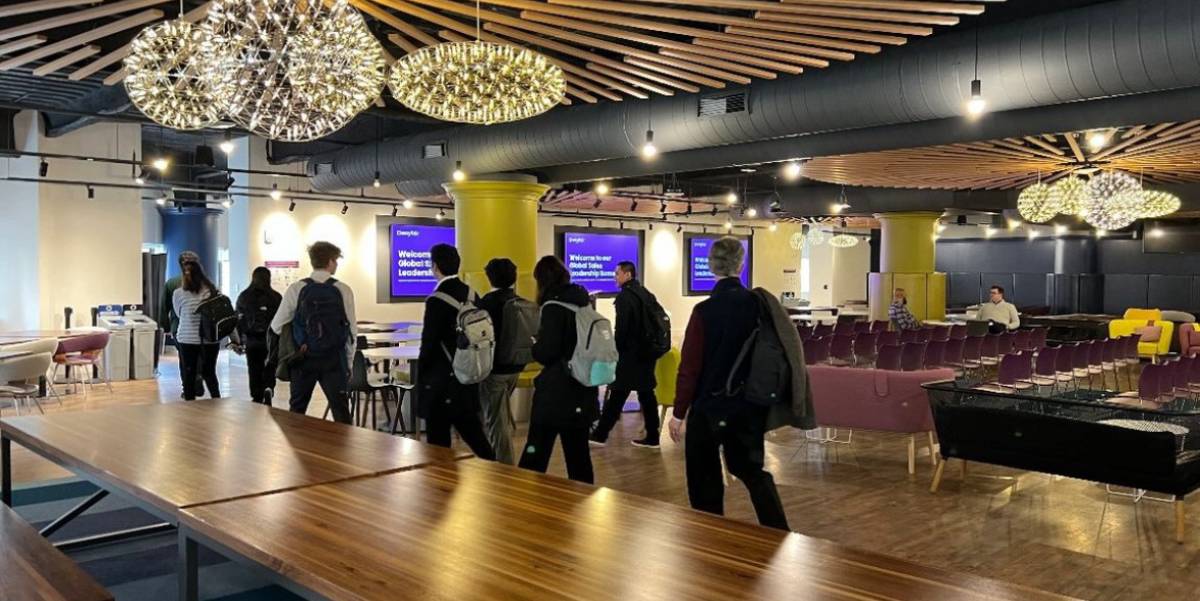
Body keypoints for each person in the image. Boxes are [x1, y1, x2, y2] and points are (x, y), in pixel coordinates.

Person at [668, 237, 790, 531]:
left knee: (703, 479)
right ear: (741, 265)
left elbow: (690, 367)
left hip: (709, 407)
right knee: (752, 471)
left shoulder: (704, 311)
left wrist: (678, 412)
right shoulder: (759, 306)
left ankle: (710, 535)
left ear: (711, 266)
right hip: (748, 404)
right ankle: (778, 531)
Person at [518, 255, 596, 484]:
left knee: (535, 453)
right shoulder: (584, 303)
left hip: (556, 394)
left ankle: (522, 498)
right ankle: (585, 501)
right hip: (583, 389)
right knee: (579, 458)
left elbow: (547, 352)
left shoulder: (553, 307)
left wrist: (536, 346)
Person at [418, 244, 496, 459]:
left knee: (438, 445)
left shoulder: (436, 300)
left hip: (441, 381)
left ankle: (443, 479)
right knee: (476, 437)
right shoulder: (472, 294)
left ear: (435, 266)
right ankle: (497, 472)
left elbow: (429, 343)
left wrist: (422, 377)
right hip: (468, 374)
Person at [270, 241, 355, 424]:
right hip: (334, 359)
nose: (336, 264)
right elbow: (351, 332)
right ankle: (345, 443)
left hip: (303, 358)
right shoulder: (343, 290)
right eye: (336, 260)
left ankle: (296, 442)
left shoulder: (296, 288)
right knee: (341, 412)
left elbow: (276, 325)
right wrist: (348, 363)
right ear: (330, 261)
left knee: (297, 410)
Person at [590, 261, 660, 448]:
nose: (615, 277)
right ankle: (653, 436)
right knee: (646, 394)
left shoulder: (624, 297)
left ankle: (600, 435)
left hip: (630, 355)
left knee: (618, 394)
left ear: (628, 274)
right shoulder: (645, 293)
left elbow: (622, 329)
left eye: (617, 273)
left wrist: (615, 350)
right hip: (646, 353)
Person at [475, 258, 525, 464]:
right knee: (500, 414)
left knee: (496, 421)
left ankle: (504, 467)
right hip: (516, 366)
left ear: (490, 278)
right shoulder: (520, 302)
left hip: (494, 369)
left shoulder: (486, 303)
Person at [173, 260, 222, 401]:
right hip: (210, 339)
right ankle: (217, 400)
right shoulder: (213, 291)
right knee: (210, 373)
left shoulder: (179, 293)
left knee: (189, 374)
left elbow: (178, 313)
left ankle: (190, 404)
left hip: (187, 338)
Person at [161, 250, 205, 397]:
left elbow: (164, 307)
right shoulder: (206, 283)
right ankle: (198, 375)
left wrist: (165, 327)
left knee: (185, 359)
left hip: (179, 327)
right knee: (200, 356)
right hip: (201, 328)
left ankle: (187, 388)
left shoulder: (172, 283)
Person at [237, 266, 282, 405]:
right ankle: (268, 387)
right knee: (270, 365)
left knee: (254, 368)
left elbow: (239, 319)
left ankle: (256, 395)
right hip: (271, 339)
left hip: (252, 340)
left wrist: (240, 339)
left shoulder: (244, 296)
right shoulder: (276, 297)